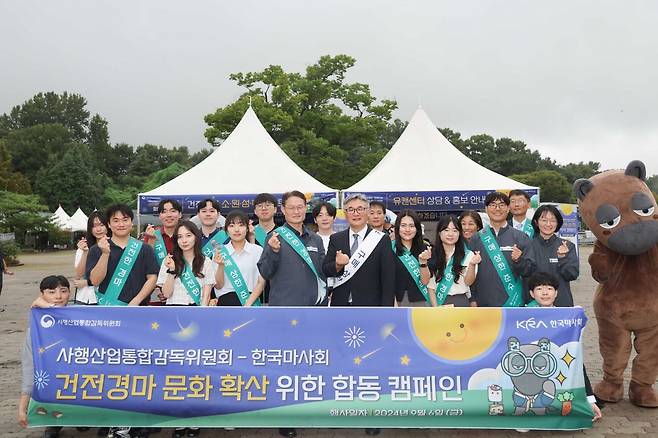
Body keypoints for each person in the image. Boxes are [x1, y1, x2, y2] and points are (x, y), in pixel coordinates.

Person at [257, 191, 324, 438]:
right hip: (284, 312)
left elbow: (323, 273)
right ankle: (285, 416)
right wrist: (273, 251)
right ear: (282, 211)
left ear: (306, 209)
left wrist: (337, 265)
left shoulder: (315, 239)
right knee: (285, 364)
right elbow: (264, 271)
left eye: (300, 207)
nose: (296, 211)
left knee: (308, 362)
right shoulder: (275, 237)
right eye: (291, 207)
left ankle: (306, 408)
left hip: (312, 312)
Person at [525, 272, 603, 422]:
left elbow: (576, 362)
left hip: (559, 366)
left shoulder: (567, 318)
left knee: (576, 363)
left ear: (556, 293)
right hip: (534, 370)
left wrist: (591, 401)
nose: (545, 292)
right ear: (531, 294)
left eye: (549, 288)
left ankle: (588, 403)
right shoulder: (524, 317)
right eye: (539, 289)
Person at [18, 275, 71, 438]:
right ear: (42, 294)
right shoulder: (36, 330)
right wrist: (22, 408)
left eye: (64, 291)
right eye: (51, 292)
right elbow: (29, 369)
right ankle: (53, 424)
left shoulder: (80, 314)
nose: (58, 296)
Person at [468, 192, 536, 307]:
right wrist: (472, 298)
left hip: (513, 302)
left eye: (502, 205)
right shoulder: (476, 238)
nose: (497, 209)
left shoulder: (521, 237)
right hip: (483, 303)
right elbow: (470, 271)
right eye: (493, 205)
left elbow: (530, 271)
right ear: (486, 209)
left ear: (508, 209)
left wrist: (519, 260)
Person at [86, 204, 159, 307]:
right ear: (109, 224)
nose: (121, 224)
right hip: (108, 308)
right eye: (116, 221)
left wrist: (136, 301)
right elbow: (95, 281)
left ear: (131, 222)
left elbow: (152, 278)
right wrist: (105, 254)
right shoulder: (96, 249)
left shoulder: (144, 249)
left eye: (125, 220)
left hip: (139, 308)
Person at [526, 205, 579, 306]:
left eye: (553, 221)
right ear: (536, 222)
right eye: (544, 220)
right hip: (533, 305)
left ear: (558, 223)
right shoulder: (527, 245)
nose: (548, 224)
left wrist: (562, 258)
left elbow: (572, 274)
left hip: (561, 303)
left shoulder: (567, 246)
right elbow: (524, 272)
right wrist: (517, 260)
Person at [158, 220, 215, 310]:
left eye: (188, 236)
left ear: (196, 237)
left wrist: (202, 313)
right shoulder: (169, 260)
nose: (184, 241)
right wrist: (172, 270)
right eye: (180, 237)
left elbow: (206, 296)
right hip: (173, 309)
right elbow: (166, 294)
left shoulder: (205, 262)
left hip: (196, 309)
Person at [213, 211, 265, 307]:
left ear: (247, 228)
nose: (236, 230)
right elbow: (218, 285)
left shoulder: (257, 250)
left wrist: (247, 305)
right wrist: (221, 265)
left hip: (251, 303)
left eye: (241, 225)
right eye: (232, 226)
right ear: (227, 230)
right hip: (225, 304)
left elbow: (261, 282)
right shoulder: (220, 251)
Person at [427, 215, 481, 307]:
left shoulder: (468, 255)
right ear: (439, 233)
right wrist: (435, 309)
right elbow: (430, 286)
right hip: (438, 302)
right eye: (446, 230)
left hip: (460, 301)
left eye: (455, 230)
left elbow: (468, 282)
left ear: (459, 233)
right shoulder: (430, 254)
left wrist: (472, 264)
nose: (450, 234)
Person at [392, 210, 433, 307]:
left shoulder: (426, 249)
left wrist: (423, 262)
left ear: (417, 228)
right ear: (397, 228)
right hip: (397, 301)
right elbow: (387, 280)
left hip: (421, 300)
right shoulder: (389, 248)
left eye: (411, 226)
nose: (407, 229)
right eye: (403, 225)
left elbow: (425, 281)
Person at [72, 211, 110, 305]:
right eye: (94, 226)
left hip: (106, 297)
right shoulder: (83, 247)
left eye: (101, 225)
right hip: (84, 297)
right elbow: (78, 275)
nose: (98, 229)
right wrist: (85, 252)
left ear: (108, 225)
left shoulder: (114, 246)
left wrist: (87, 282)